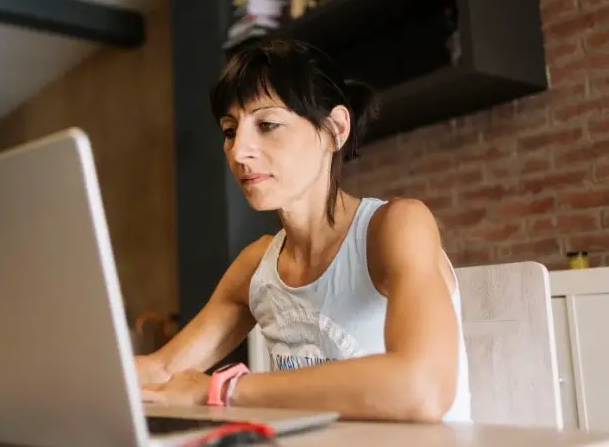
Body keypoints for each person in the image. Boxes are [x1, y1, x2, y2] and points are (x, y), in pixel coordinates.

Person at [135, 36, 471, 423]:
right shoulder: (256, 266)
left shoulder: (395, 227)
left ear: (334, 129)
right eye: (230, 131)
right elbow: (163, 370)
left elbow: (423, 388)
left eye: (268, 124)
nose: (239, 151)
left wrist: (224, 390)